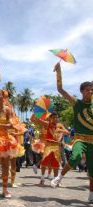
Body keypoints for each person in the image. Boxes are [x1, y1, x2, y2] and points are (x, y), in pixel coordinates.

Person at [51, 63, 93, 202]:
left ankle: (91, 195)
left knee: (92, 169)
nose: (90, 92)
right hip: (80, 139)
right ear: (82, 91)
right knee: (75, 157)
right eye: (87, 90)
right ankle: (59, 177)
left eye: (91, 90)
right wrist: (59, 71)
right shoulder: (76, 103)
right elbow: (60, 89)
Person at [32, 113, 69, 186]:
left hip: (56, 146)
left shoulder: (60, 125)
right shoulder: (47, 124)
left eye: (56, 117)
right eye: (54, 117)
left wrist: (60, 131)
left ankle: (56, 180)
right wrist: (36, 114)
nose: (55, 119)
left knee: (56, 163)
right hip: (48, 145)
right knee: (44, 161)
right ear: (51, 118)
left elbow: (67, 132)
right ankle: (42, 180)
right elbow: (37, 120)